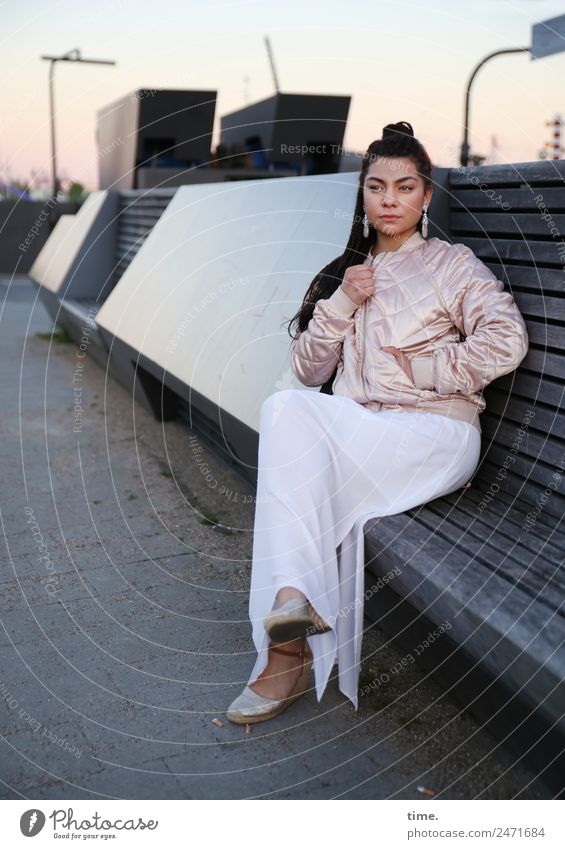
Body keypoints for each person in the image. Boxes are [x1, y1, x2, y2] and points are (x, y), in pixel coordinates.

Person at [226, 121, 529, 725]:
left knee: (297, 472)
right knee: (285, 408)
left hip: (433, 436)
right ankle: (291, 608)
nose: (389, 199)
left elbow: (507, 340)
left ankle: (287, 654)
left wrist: (422, 372)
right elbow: (309, 371)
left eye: (405, 186)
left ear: (425, 197)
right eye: (377, 186)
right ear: (362, 194)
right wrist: (342, 303)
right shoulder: (350, 271)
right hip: (364, 434)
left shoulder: (450, 265)